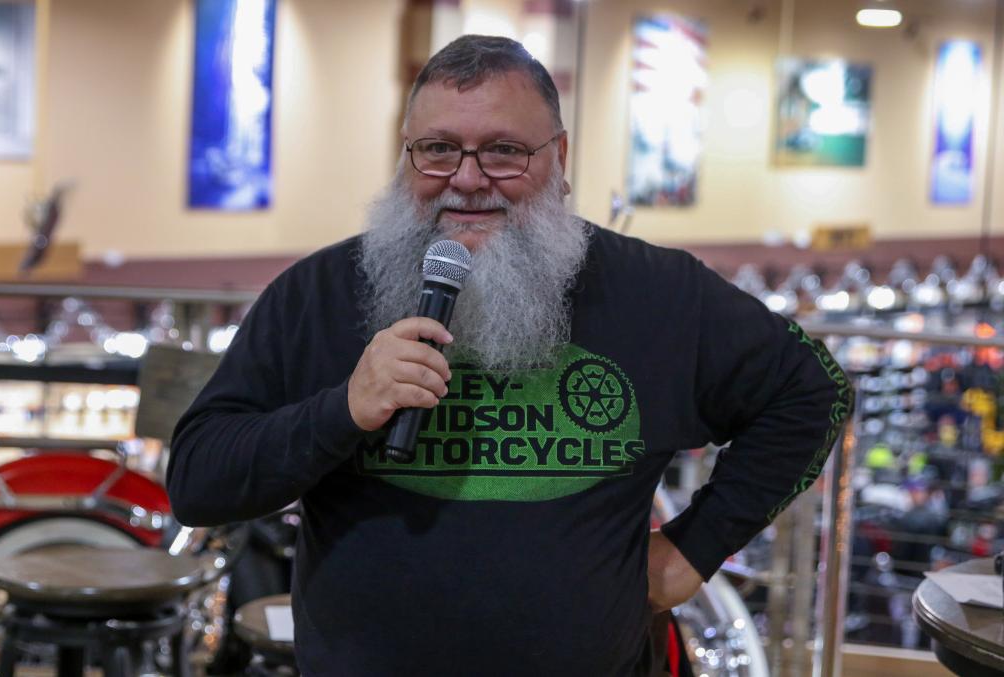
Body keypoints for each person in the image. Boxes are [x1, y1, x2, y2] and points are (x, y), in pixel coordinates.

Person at [167, 35, 853, 676]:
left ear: (560, 157)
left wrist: (693, 549)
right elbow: (199, 482)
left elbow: (813, 389)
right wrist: (342, 408)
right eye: (438, 149)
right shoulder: (316, 295)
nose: (467, 179)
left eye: (503, 151)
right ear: (406, 156)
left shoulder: (658, 294)